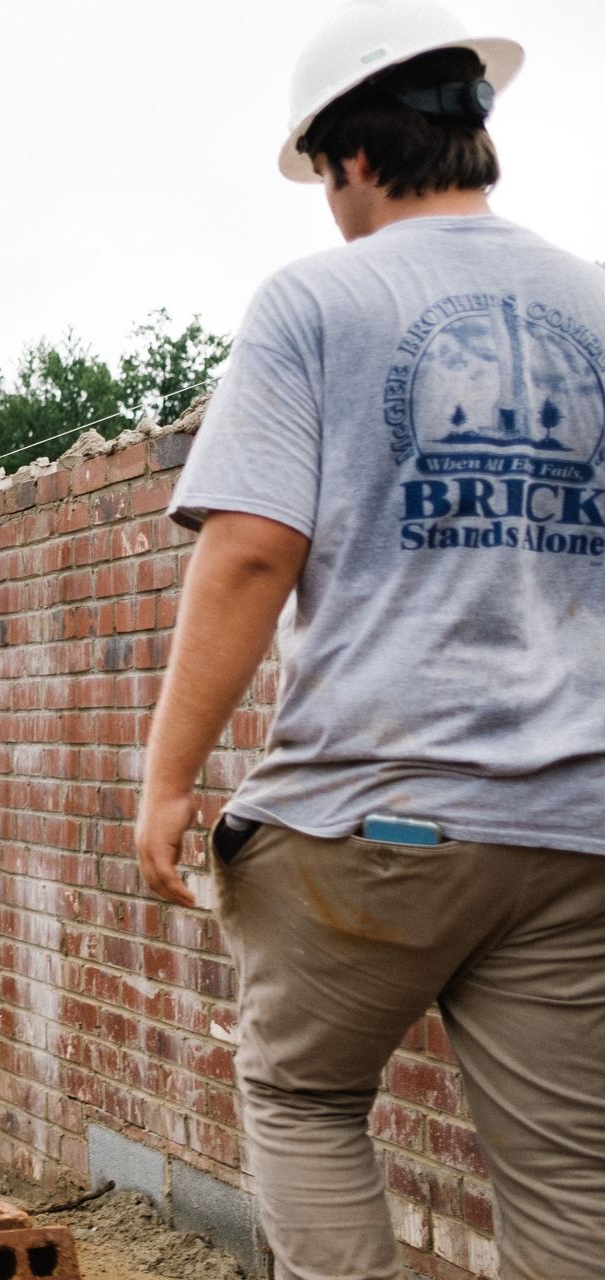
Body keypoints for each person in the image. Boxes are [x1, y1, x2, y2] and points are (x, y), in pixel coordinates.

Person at [136, 3, 605, 1275]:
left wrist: (170, 780)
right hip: (576, 831)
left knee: (303, 1093)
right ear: (478, 130)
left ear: (349, 156)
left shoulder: (316, 302)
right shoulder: (600, 306)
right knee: (571, 1179)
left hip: (376, 820)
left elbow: (247, 551)